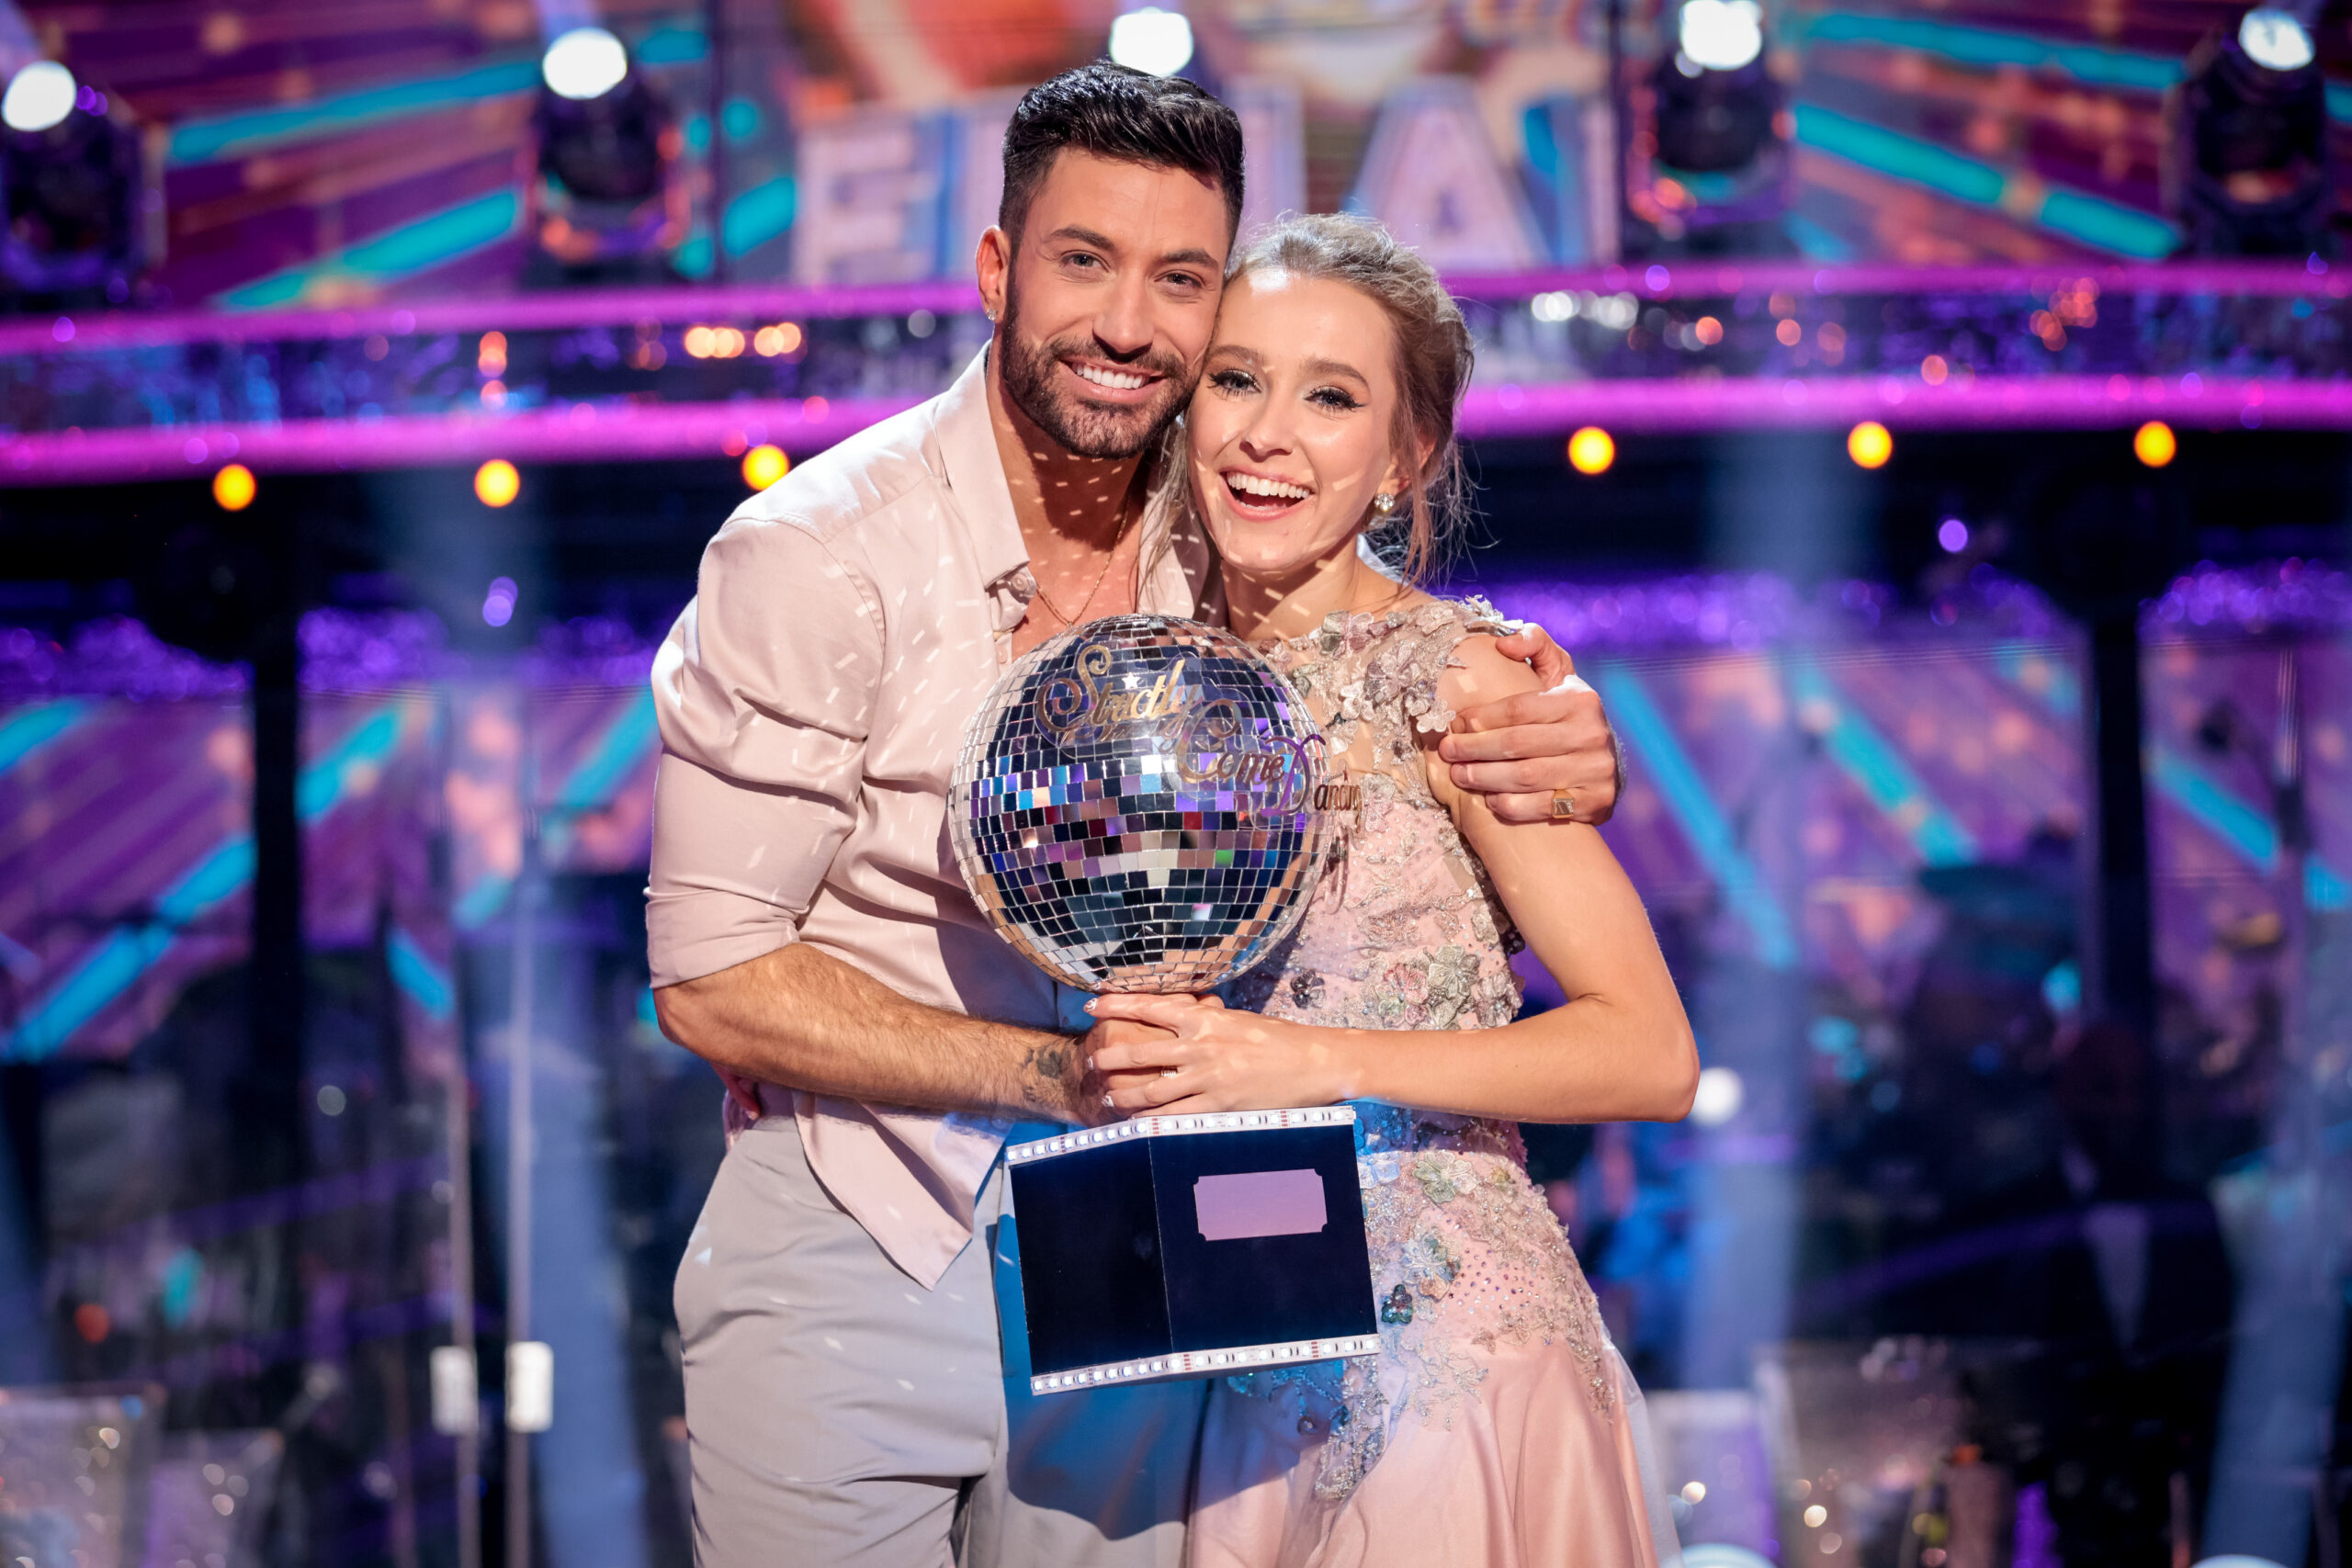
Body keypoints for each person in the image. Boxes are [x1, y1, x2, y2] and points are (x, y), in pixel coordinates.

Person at [648, 67, 1627, 1568]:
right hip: (863, 1234)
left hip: (1160, 1279)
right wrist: (1065, 1078)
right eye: (1083, 260)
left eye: (1179, 280)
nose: (1125, 325)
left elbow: (1392, 667)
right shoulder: (818, 557)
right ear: (997, 269)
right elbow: (712, 975)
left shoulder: (1227, 523)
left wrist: (1557, 730)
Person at [1088, 213, 1699, 1568]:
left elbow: (1650, 1051)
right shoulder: (1127, 685)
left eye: (1331, 398)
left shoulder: (1461, 683)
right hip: (1220, 1341)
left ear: (1406, 456)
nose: (1267, 435)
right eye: (1237, 380)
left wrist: (1305, 1062)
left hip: (1442, 1361)